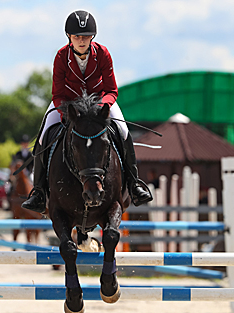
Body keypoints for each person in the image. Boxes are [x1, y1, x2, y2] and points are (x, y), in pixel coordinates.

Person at [21, 10, 152, 214]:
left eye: (85, 37)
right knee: (44, 134)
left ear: (92, 37)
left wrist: (103, 108)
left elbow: (111, 90)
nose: (81, 41)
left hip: (99, 102)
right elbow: (57, 93)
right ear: (69, 37)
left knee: (123, 130)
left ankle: (135, 184)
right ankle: (38, 191)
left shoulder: (103, 53)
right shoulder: (61, 56)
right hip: (69, 103)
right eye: (77, 37)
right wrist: (67, 114)